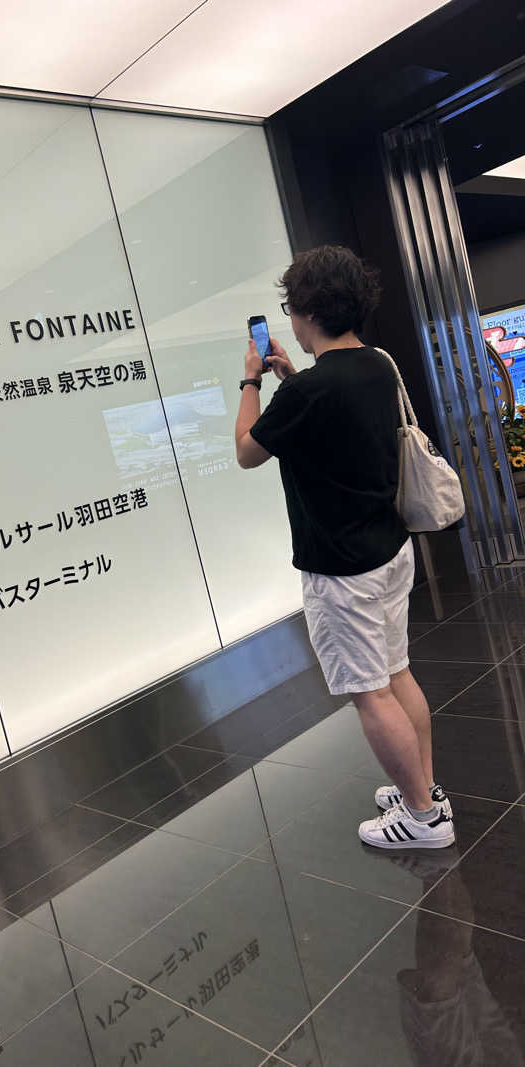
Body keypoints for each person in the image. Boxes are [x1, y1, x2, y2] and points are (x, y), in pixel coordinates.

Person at [234, 245, 454, 849]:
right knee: (396, 672)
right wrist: (290, 379)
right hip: (389, 550)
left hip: (341, 569)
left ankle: (423, 819)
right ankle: (423, 788)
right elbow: (332, 410)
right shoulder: (376, 365)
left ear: (304, 311)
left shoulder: (308, 392)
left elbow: (247, 449)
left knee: (370, 692)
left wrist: (251, 377)